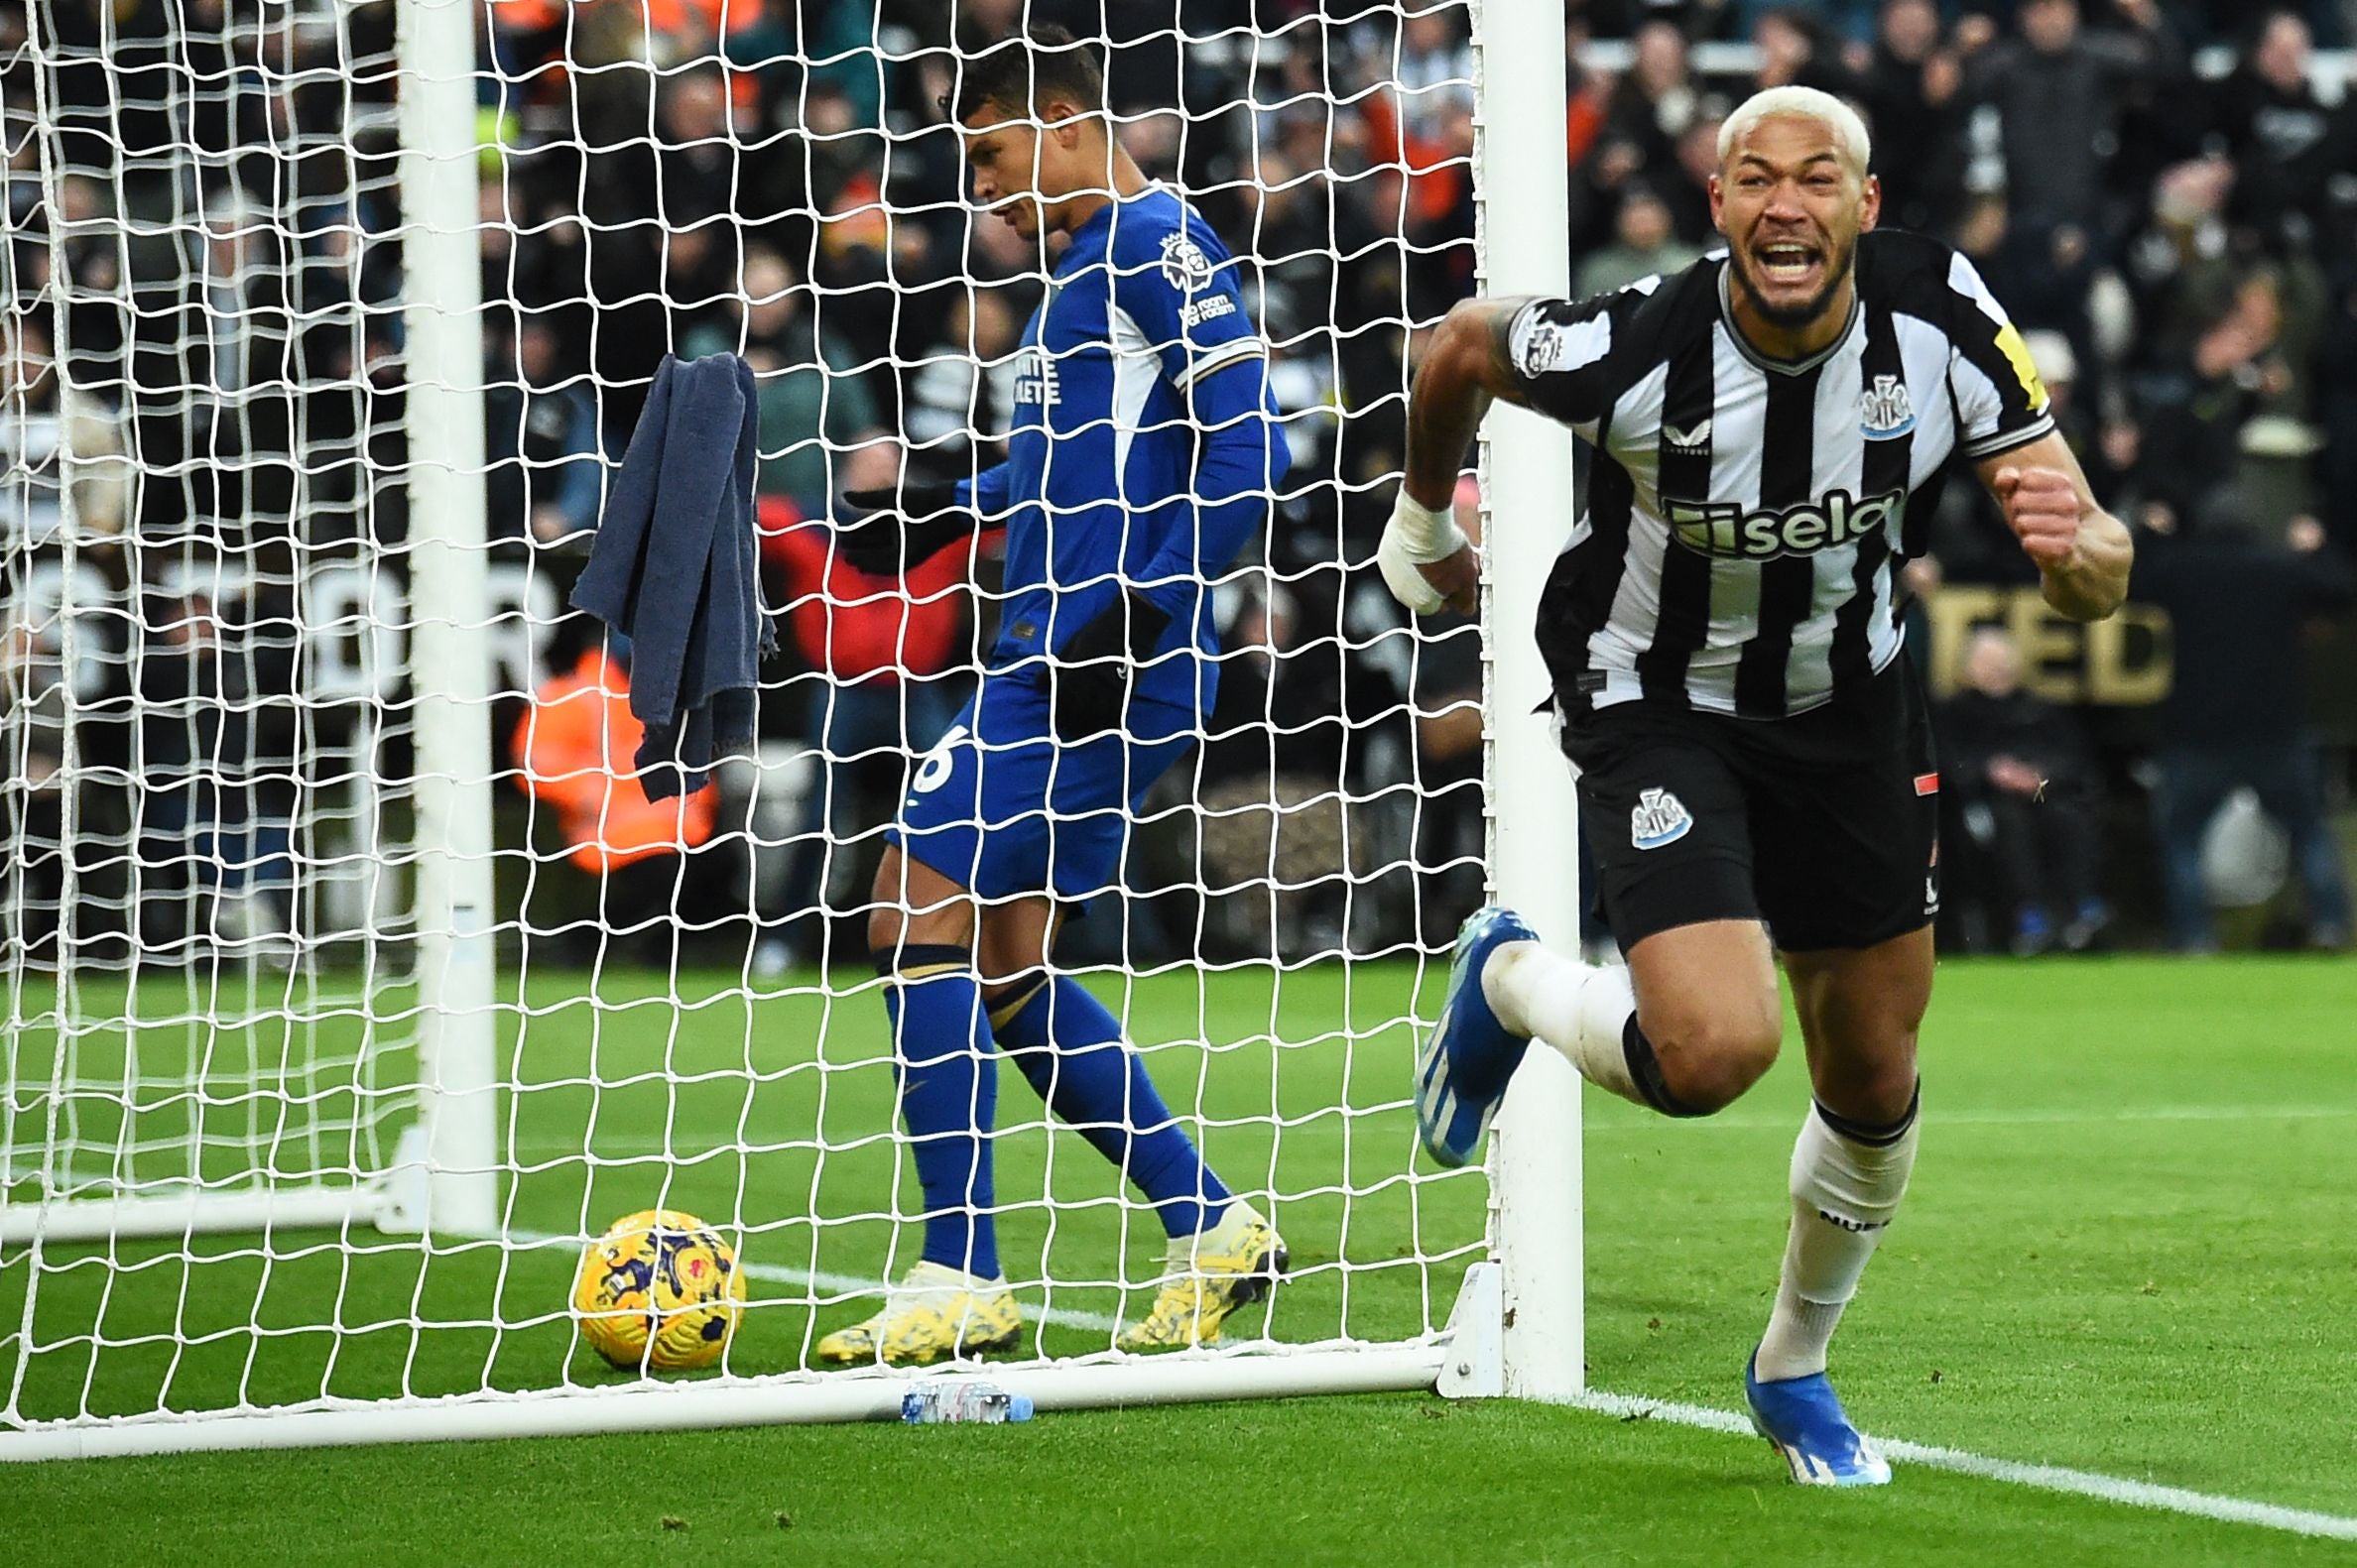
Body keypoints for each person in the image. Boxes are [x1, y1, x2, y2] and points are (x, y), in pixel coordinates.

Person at [1379, 86, 2132, 1485]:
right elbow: (1463, 343)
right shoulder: (1638, 344)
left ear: (1864, 198)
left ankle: (1793, 1365)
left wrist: (2083, 555)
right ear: (1717, 204)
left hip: (1849, 705)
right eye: (1756, 178)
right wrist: (1419, 520)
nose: (1787, 203)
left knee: (1876, 1061)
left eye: (1818, 177)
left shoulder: (1946, 317)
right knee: (1717, 1051)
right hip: (1656, 694)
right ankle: (1515, 983)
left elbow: (2092, 562)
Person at [812, 28, 1292, 1366]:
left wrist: (1143, 612)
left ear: (1069, 124)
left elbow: (1251, 440)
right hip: (1062, 650)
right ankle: (1211, 1225)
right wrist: (941, 509)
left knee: (913, 898)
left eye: (990, 157)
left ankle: (961, 1267)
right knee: (1011, 956)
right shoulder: (1073, 277)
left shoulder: (1152, 241)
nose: (980, 192)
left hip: (1100, 667)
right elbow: (1075, 475)